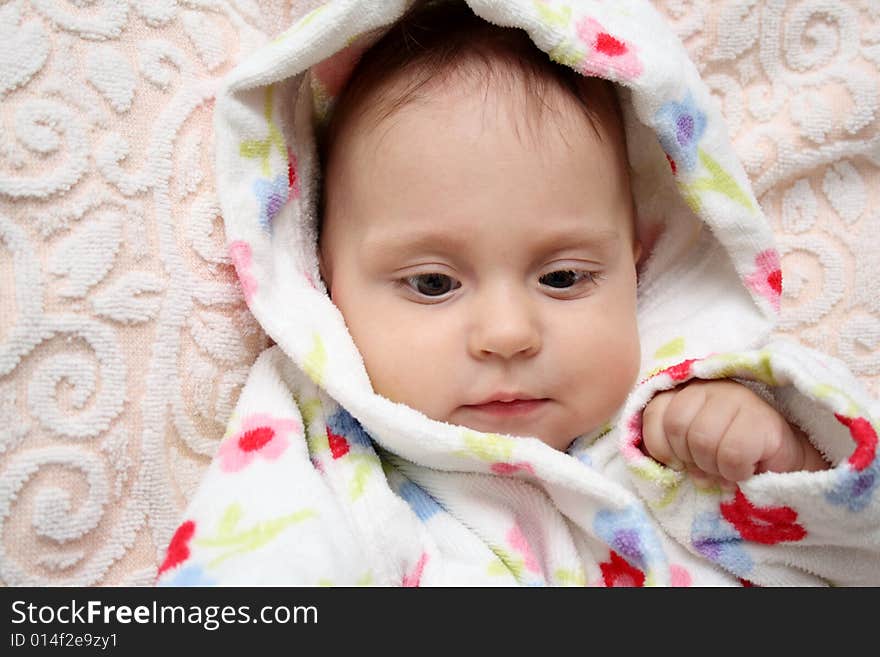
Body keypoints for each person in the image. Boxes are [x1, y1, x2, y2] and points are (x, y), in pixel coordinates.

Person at [156, 0, 880, 587]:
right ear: (324, 278)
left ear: (639, 265)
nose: (507, 332)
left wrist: (784, 459)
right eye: (433, 283)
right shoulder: (317, 445)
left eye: (563, 277)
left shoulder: (682, 428)